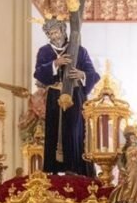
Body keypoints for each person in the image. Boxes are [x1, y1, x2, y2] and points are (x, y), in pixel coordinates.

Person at [33, 16, 98, 176]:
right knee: (54, 131)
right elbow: (38, 73)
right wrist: (55, 64)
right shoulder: (45, 51)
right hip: (55, 96)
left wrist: (82, 75)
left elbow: (93, 74)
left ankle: (76, 169)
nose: (54, 36)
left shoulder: (79, 50)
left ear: (63, 31)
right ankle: (54, 170)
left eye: (56, 32)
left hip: (75, 95)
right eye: (50, 34)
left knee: (75, 131)